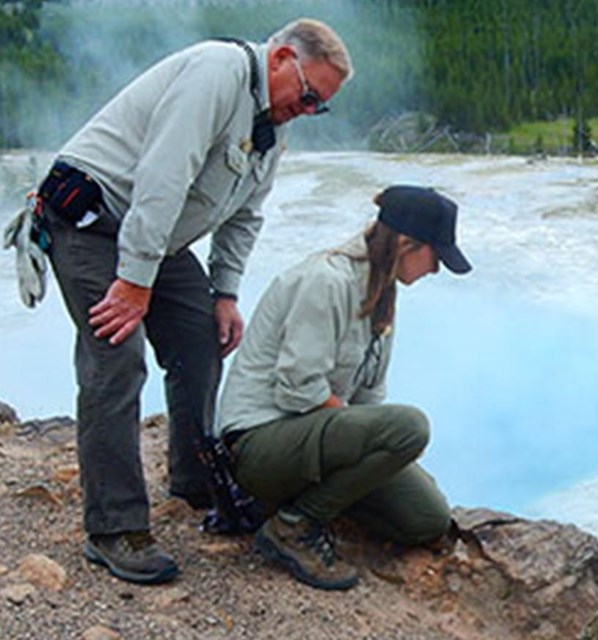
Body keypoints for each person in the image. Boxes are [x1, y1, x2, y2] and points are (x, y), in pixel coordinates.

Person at [37, 18, 353, 585]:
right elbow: (163, 175)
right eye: (308, 96)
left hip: (155, 235)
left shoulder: (271, 124)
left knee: (199, 340)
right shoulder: (217, 72)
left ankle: (194, 479)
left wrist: (225, 293)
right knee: (117, 353)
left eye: (319, 107)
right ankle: (115, 529)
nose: (307, 111)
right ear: (280, 58)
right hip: (89, 218)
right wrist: (134, 282)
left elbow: (245, 215)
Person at [216, 185, 473, 591]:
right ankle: (293, 526)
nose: (436, 269)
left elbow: (370, 397)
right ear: (407, 244)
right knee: (410, 426)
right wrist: (379, 440)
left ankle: (307, 501)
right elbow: (298, 390)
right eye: (435, 257)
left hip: (313, 440)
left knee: (427, 519)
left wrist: (380, 451)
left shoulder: (381, 291)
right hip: (260, 443)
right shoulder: (326, 280)